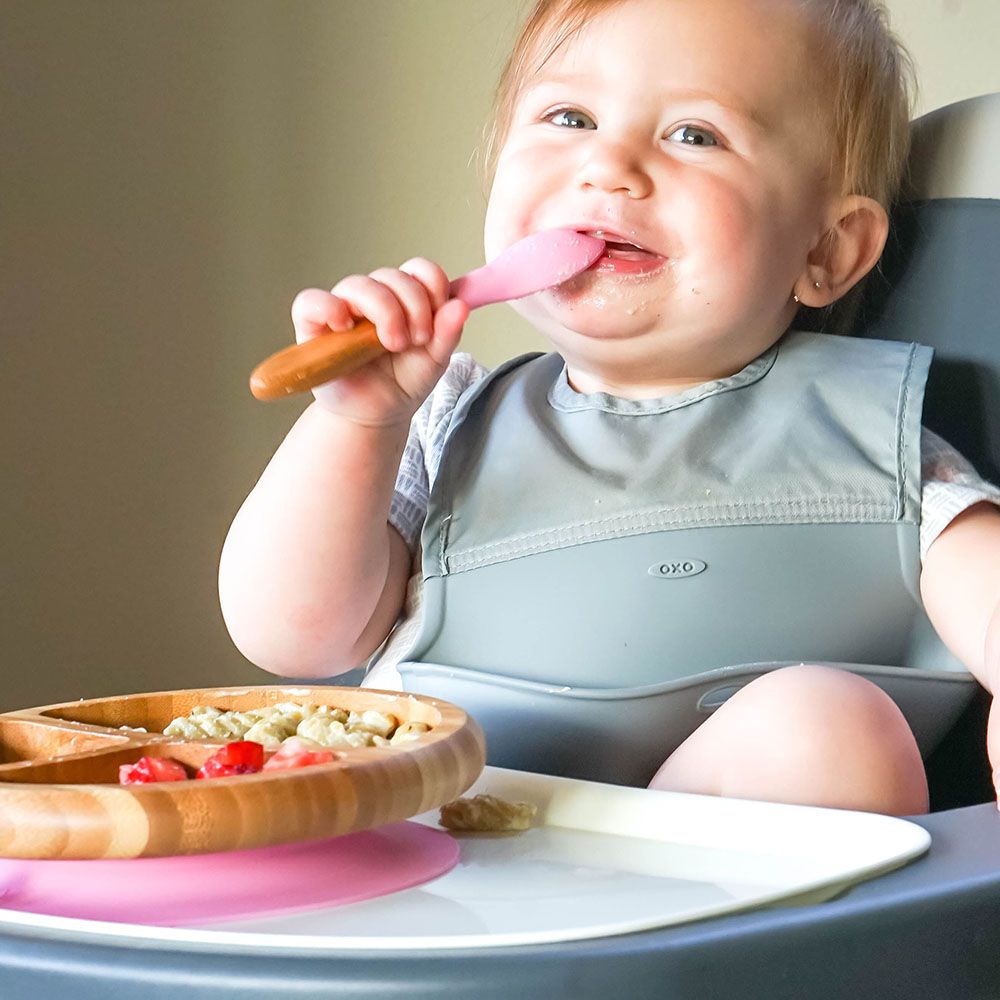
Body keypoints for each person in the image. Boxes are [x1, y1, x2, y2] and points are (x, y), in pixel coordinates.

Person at [219, 0, 1000, 816]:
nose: (610, 166)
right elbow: (293, 638)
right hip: (450, 853)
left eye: (695, 134)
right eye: (570, 117)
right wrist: (356, 420)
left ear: (826, 248)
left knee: (828, 728)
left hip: (706, 889)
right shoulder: (447, 420)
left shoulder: (870, 437)